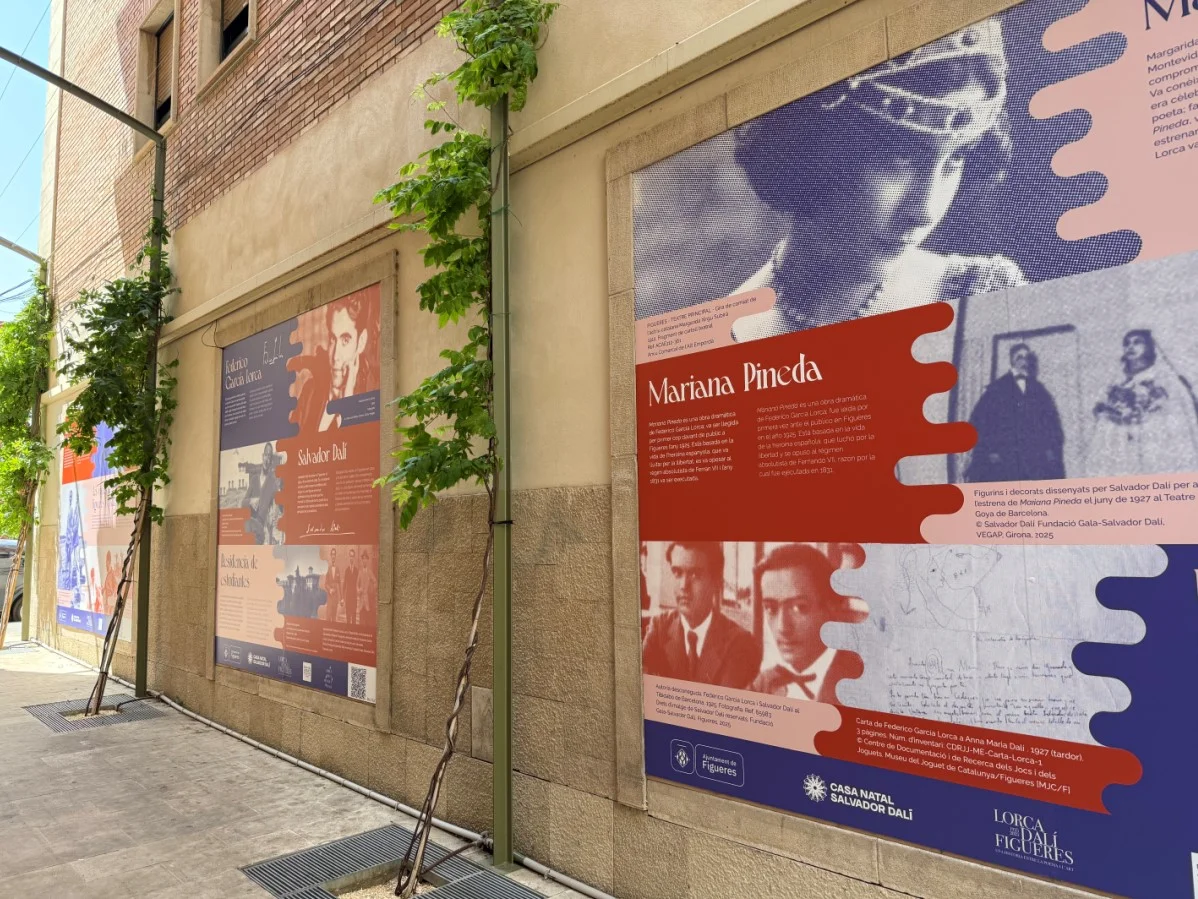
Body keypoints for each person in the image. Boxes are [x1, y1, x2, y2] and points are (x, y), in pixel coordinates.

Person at [729, 20, 1024, 342]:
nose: (924, 210)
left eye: (954, 160)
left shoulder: (987, 298)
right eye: (899, 160)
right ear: (812, 152)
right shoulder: (723, 337)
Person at [642, 542, 761, 688]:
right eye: (678, 573)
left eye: (694, 574)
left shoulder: (739, 644)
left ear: (716, 582)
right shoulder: (660, 628)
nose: (683, 586)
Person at [749, 544, 856, 703]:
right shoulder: (764, 683)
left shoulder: (859, 684)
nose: (782, 628)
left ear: (832, 609)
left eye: (799, 607)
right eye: (770, 608)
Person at [1085, 330, 1198, 476]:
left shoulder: (1163, 379)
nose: (1130, 347)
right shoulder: (1118, 381)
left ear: (1149, 348)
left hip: (1154, 446)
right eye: (1127, 343)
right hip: (1125, 448)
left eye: (1137, 342)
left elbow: (1176, 413)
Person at [965, 343, 1065, 482]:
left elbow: (1050, 422)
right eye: (1020, 357)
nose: (1024, 361)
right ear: (1012, 360)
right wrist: (991, 450)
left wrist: (1050, 449)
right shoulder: (996, 389)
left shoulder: (1039, 390)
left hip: (1032, 460)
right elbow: (978, 422)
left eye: (1027, 357)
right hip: (1005, 459)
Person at [296, 293, 378, 433]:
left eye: (345, 340)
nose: (335, 356)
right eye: (333, 339)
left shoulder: (372, 393)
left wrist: (347, 407)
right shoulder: (309, 392)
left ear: (361, 342)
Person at [343, 548, 360, 626]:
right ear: (349, 557)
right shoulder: (346, 571)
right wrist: (343, 598)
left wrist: (358, 595)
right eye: (350, 556)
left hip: (354, 598)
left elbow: (358, 584)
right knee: (348, 619)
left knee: (353, 619)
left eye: (352, 556)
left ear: (354, 557)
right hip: (348, 598)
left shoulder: (357, 571)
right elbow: (344, 586)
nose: (351, 558)